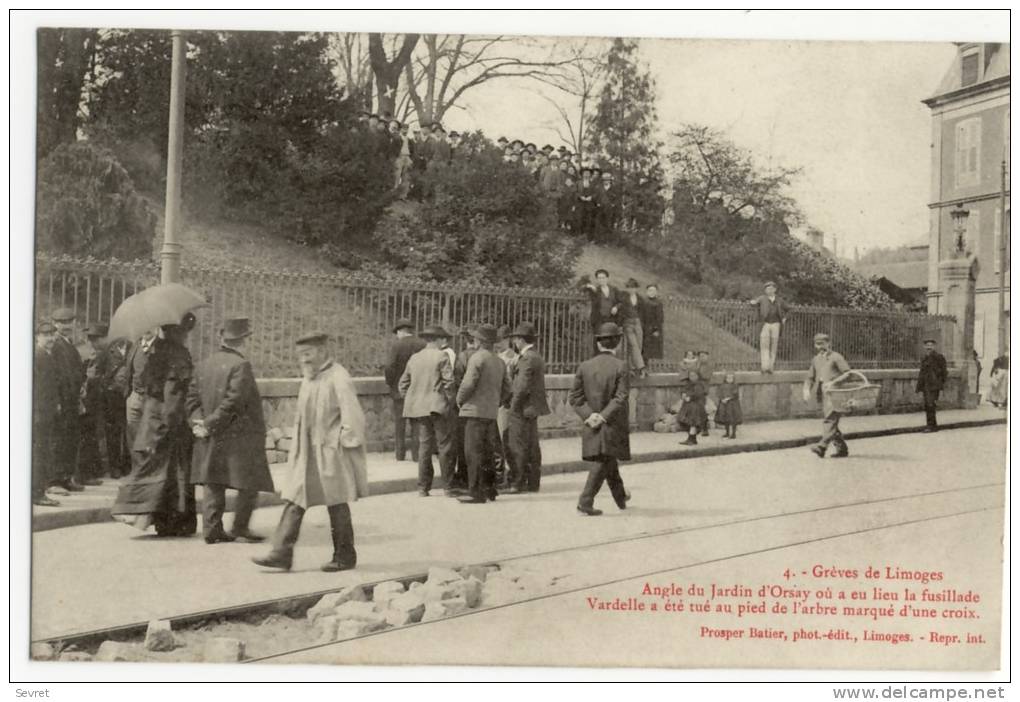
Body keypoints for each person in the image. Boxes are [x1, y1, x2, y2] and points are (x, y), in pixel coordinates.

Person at [253, 332, 368, 572]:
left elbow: (353, 416)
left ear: (323, 351)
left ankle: (345, 556)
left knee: (336, 503)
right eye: (301, 355)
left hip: (330, 453)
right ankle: (281, 553)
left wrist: (342, 442)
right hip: (307, 453)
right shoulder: (310, 378)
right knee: (295, 498)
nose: (304, 359)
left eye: (309, 354)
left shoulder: (339, 377)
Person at [188, 318, 276, 544]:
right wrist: (209, 423)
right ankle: (240, 527)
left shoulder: (203, 364)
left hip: (211, 434)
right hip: (238, 436)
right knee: (249, 482)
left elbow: (192, 400)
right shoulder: (241, 365)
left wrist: (200, 423)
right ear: (243, 340)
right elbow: (234, 402)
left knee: (213, 480)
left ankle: (211, 528)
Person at [112, 313, 198, 536]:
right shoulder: (178, 354)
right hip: (166, 420)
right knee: (173, 473)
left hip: (151, 418)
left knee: (153, 470)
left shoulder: (155, 350)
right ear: (181, 332)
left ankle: (156, 519)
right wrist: (170, 424)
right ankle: (174, 523)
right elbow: (173, 394)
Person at [569, 322, 632, 517]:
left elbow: (575, 398)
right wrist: (604, 417)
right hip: (612, 422)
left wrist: (590, 415)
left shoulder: (584, 366)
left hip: (592, 422)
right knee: (604, 459)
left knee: (607, 458)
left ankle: (620, 497)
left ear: (598, 344)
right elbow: (621, 397)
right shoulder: (621, 366)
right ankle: (585, 502)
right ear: (618, 344)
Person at [399, 324, 457, 497]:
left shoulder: (414, 358)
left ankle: (423, 488)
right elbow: (449, 383)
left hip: (420, 409)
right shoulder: (442, 356)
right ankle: (447, 486)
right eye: (442, 338)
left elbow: (403, 384)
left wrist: (412, 399)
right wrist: (450, 402)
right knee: (444, 446)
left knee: (424, 446)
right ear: (438, 340)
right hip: (438, 408)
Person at [455, 324, 511, 504]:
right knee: (488, 451)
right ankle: (490, 489)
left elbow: (468, 384)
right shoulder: (499, 361)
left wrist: (460, 400)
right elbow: (508, 388)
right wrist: (497, 402)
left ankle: (475, 492)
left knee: (473, 453)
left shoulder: (477, 358)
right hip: (491, 412)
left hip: (474, 411)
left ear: (480, 341)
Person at [507, 322, 550, 493]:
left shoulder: (527, 358)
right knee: (532, 445)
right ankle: (533, 482)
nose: (515, 342)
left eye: (516, 338)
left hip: (523, 408)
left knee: (517, 444)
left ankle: (517, 482)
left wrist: (513, 406)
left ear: (521, 340)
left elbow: (521, 386)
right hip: (532, 408)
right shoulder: (536, 356)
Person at [50, 307, 85, 493]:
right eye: (61, 323)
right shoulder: (55, 344)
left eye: (69, 322)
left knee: (70, 438)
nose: (65, 326)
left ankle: (65, 477)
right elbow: (55, 375)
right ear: (55, 324)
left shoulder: (69, 344)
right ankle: (55, 480)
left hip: (72, 398)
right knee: (60, 438)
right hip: (62, 399)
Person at [383, 319, 426, 462]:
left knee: (400, 423)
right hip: (418, 390)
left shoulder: (397, 345)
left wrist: (391, 383)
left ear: (401, 331)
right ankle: (416, 455)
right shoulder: (422, 344)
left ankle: (400, 455)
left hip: (399, 390)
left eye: (397, 333)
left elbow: (389, 366)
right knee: (416, 423)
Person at [804, 333, 851, 459]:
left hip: (836, 393)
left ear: (828, 343)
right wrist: (806, 389)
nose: (820, 347)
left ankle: (822, 447)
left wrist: (833, 382)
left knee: (829, 420)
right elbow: (810, 377)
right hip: (822, 394)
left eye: (822, 344)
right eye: (817, 344)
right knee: (831, 421)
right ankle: (842, 449)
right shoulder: (816, 359)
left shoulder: (836, 357)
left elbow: (848, 373)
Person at [76, 323, 109, 486]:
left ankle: (90, 472)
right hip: (85, 400)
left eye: (96, 339)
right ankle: (83, 474)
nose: (94, 342)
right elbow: (82, 377)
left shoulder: (100, 353)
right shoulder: (84, 353)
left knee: (91, 435)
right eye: (93, 339)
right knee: (86, 436)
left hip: (95, 400)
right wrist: (89, 378)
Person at [33, 321, 61, 507]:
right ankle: (37, 493)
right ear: (37, 336)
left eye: (52, 334)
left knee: (42, 451)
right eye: (46, 335)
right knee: (39, 452)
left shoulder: (47, 355)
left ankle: (38, 490)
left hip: (46, 411)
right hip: (39, 412)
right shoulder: (38, 355)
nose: (50, 338)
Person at [123, 329, 157, 468]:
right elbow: (129, 371)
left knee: (149, 436)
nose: (146, 329)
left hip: (152, 398)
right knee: (133, 434)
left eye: (151, 326)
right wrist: (129, 395)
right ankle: (137, 469)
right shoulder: (135, 346)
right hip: (135, 396)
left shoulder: (161, 347)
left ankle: (149, 470)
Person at [103, 337, 131, 478]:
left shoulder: (134, 347)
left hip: (129, 394)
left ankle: (127, 465)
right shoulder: (108, 349)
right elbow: (101, 371)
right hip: (112, 396)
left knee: (129, 430)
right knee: (113, 431)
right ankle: (114, 467)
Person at [494, 325, 518, 489]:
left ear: (508, 339)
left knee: (503, 439)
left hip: (504, 402)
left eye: (502, 340)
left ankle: (506, 474)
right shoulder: (498, 356)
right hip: (495, 402)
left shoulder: (511, 357)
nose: (499, 343)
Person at [749, 282, 790, 374]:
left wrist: (785, 318)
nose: (769, 290)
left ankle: (771, 367)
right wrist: (752, 302)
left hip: (776, 324)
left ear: (775, 289)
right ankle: (764, 367)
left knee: (774, 346)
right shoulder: (762, 298)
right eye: (767, 289)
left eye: (771, 288)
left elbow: (789, 309)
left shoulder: (779, 300)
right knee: (764, 346)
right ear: (765, 290)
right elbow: (754, 303)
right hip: (765, 324)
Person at [915, 338, 948, 433]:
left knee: (930, 405)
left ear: (934, 346)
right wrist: (919, 386)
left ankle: (931, 426)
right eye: (927, 345)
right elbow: (922, 373)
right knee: (928, 405)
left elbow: (944, 372)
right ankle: (932, 425)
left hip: (933, 386)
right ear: (924, 347)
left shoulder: (939, 357)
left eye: (931, 345)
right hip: (926, 385)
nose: (929, 347)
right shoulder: (924, 358)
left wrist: (940, 384)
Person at [583, 269, 622, 345]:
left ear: (607, 278)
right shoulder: (595, 290)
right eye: (599, 278)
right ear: (597, 279)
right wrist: (589, 286)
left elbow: (621, 302)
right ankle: (598, 356)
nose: (601, 280)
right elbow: (582, 288)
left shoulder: (614, 290)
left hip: (612, 319)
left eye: (603, 278)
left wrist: (616, 307)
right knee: (599, 342)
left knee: (611, 342)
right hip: (599, 320)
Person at [618, 278, 647, 378]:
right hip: (628, 323)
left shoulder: (640, 299)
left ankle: (631, 368)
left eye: (633, 287)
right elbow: (620, 309)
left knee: (638, 346)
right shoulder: (624, 297)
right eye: (629, 287)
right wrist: (621, 324)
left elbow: (643, 312)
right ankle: (641, 368)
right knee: (634, 345)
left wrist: (642, 323)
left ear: (636, 288)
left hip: (638, 323)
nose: (631, 290)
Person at [677, 370, 708, 446]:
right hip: (689, 406)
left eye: (694, 375)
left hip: (696, 406)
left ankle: (691, 439)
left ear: (698, 376)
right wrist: (683, 394)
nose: (692, 377)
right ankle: (692, 439)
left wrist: (690, 397)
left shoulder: (699, 384)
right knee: (688, 422)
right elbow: (683, 390)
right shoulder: (688, 384)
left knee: (693, 422)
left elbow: (698, 394)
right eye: (690, 375)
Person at [640, 284, 664, 364]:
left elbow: (660, 317)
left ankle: (651, 365)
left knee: (653, 348)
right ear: (646, 292)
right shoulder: (643, 301)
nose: (652, 292)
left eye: (653, 290)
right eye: (650, 290)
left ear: (656, 292)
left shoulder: (658, 303)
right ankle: (643, 364)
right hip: (644, 327)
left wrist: (656, 329)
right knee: (643, 347)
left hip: (654, 328)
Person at [715, 372, 743, 439]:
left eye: (731, 378)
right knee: (725, 419)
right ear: (725, 378)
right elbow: (719, 393)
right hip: (724, 405)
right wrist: (722, 399)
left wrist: (728, 398)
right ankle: (727, 433)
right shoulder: (722, 386)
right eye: (728, 378)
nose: (729, 379)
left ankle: (733, 434)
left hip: (733, 405)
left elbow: (735, 394)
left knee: (733, 419)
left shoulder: (735, 385)